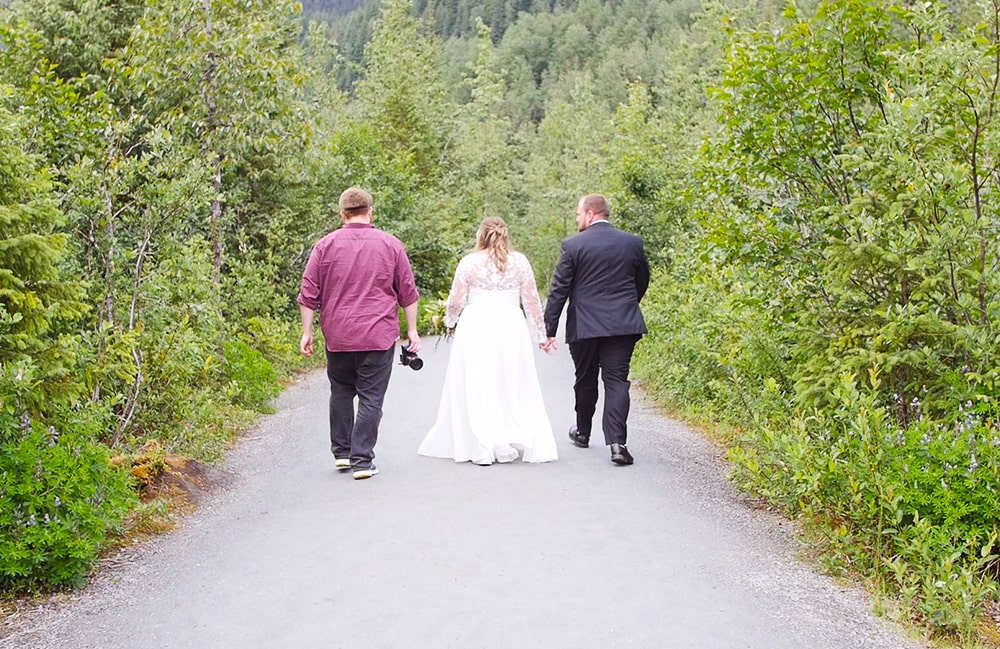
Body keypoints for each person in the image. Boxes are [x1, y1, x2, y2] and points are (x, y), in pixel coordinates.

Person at [298, 187, 421, 480]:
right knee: (371, 397)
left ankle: (342, 453)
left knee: (340, 391)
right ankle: (362, 460)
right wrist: (412, 331)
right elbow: (408, 292)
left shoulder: (324, 246)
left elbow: (308, 293)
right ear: (371, 211)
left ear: (343, 214)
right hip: (377, 335)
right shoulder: (391, 245)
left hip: (338, 334)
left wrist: (307, 332)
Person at [418, 217, 558, 465]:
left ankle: (483, 444)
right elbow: (532, 301)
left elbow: (455, 301)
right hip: (510, 325)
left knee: (478, 381)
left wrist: (449, 321)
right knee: (509, 380)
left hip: (477, 326)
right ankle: (500, 439)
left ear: (480, 235)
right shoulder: (520, 261)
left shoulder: (469, 262)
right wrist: (541, 335)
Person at [542, 194, 650, 466]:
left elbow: (559, 290)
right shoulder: (632, 243)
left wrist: (549, 328)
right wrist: (626, 305)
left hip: (585, 325)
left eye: (578, 214)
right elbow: (642, 281)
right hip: (622, 325)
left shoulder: (573, 245)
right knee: (617, 380)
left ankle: (583, 432)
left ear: (590, 214)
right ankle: (617, 444)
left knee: (585, 379)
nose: (577, 219)